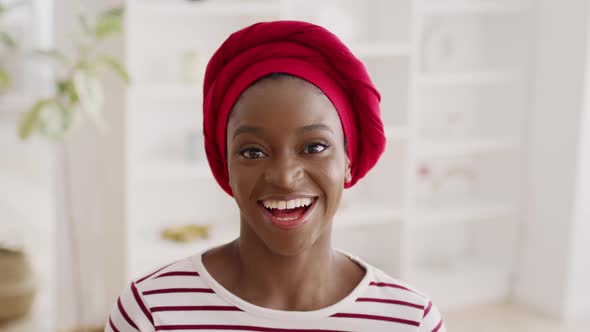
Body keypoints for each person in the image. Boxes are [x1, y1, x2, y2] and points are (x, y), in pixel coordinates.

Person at [106, 20, 445, 332]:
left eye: (314, 147)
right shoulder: (150, 313)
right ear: (225, 165)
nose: (284, 177)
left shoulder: (410, 322)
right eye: (252, 152)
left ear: (348, 161)